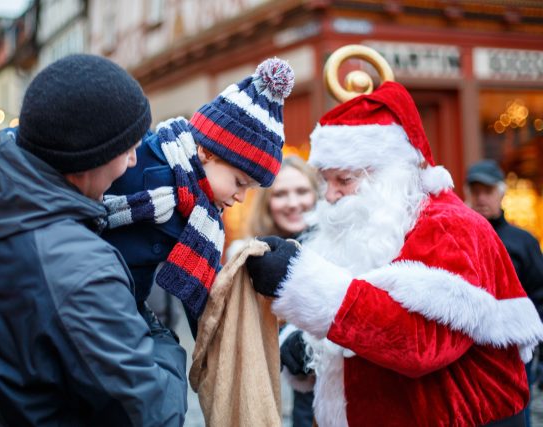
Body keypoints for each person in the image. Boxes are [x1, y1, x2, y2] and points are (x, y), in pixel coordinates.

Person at [0, 54, 188, 426]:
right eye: (128, 148)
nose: (134, 161)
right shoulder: (78, 267)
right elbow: (154, 414)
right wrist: (158, 334)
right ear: (91, 159)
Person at [246, 80, 543, 426]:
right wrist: (301, 344)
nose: (329, 196)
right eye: (327, 182)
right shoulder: (384, 225)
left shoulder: (448, 226)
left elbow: (420, 341)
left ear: (388, 173)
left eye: (343, 180)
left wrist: (299, 283)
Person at [101, 57, 295, 335]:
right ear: (207, 152)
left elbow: (205, 297)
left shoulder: (201, 214)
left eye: (248, 189)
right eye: (239, 182)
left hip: (124, 314)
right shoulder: (137, 156)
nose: (240, 197)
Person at [227, 155, 319, 426]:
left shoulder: (338, 249)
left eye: (302, 191)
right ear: (267, 203)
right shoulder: (247, 255)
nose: (293, 203)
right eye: (281, 194)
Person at [466, 159, 543, 427]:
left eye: (487, 190)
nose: (481, 197)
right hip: (471, 356)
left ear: (501, 193)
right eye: (475, 191)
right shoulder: (460, 238)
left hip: (516, 354)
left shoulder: (523, 242)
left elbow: (540, 294)